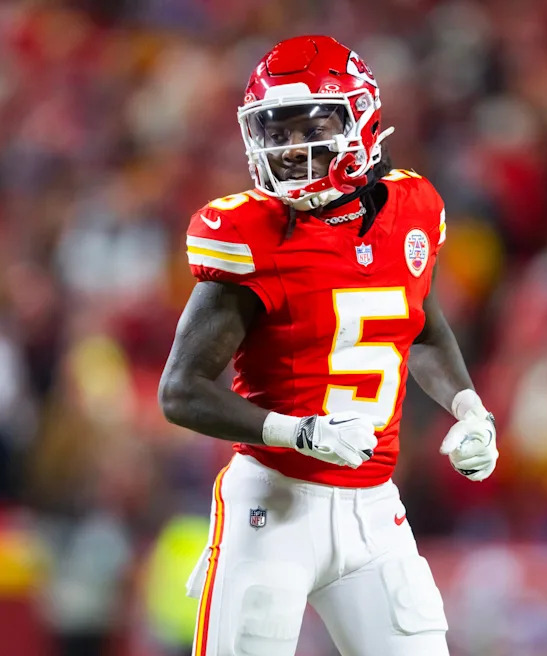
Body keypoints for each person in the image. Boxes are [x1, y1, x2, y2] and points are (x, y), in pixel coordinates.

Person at [158, 35, 499, 656]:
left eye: (307, 125)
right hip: (274, 506)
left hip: (374, 509)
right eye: (275, 131)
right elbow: (180, 391)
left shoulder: (412, 209)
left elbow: (422, 329)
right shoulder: (250, 233)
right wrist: (300, 432)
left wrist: (471, 409)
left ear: (361, 117)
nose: (290, 149)